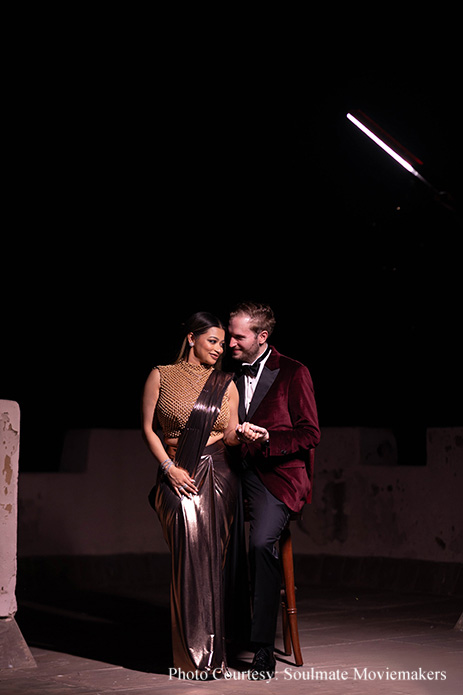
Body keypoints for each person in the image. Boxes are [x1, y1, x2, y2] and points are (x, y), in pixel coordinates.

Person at [141, 311, 266, 680]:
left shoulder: (225, 382)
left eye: (221, 342)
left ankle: (211, 657)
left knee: (212, 561)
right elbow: (148, 429)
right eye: (212, 341)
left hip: (219, 473)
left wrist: (242, 435)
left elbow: (228, 434)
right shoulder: (161, 375)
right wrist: (169, 468)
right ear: (192, 338)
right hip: (177, 470)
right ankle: (190, 656)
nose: (220, 349)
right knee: (188, 557)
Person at [228, 301, 320, 680]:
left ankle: (262, 647)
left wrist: (270, 438)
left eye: (238, 336)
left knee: (261, 542)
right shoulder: (226, 375)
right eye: (229, 334)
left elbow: (310, 433)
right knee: (206, 539)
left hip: (276, 477)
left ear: (262, 337)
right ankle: (210, 637)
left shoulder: (293, 372)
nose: (230, 343)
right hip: (233, 473)